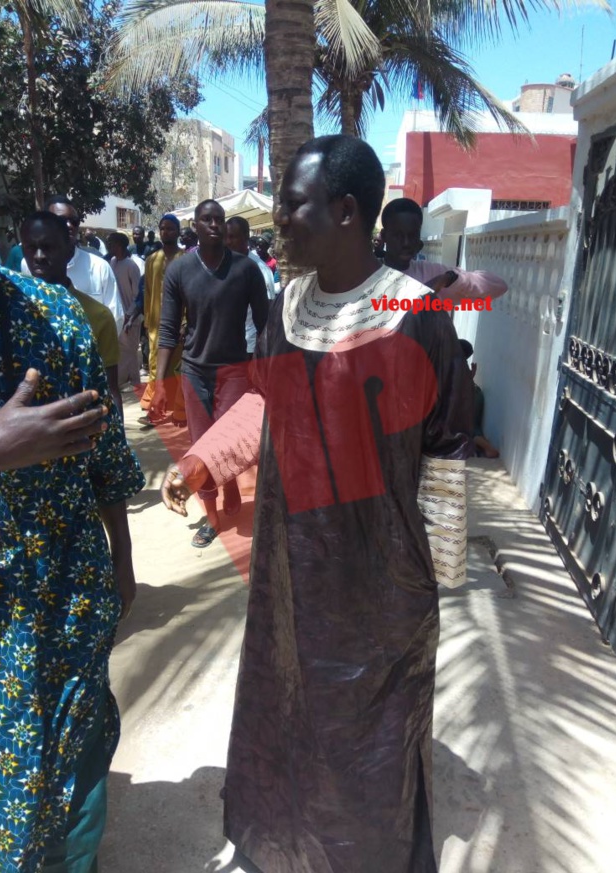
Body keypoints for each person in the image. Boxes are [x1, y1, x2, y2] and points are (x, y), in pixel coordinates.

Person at [161, 135, 473, 871]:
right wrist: (204, 460)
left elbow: (447, 447)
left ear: (345, 211)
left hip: (379, 587)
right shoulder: (288, 304)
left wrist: (440, 574)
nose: (279, 220)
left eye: (292, 205)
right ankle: (289, 846)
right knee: (292, 710)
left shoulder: (416, 314)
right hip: (290, 572)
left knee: (368, 739)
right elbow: (269, 402)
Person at [0, 121, 144, 873]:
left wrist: (123, 560)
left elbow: (105, 457)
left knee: (75, 754)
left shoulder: (56, 318)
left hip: (62, 584)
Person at [153, 199, 269, 548]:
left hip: (234, 369)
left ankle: (230, 483)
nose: (215, 225)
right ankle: (213, 517)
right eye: (207, 220)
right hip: (193, 371)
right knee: (201, 445)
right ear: (196, 227)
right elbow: (169, 330)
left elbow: (265, 325)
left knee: (228, 439)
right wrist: (160, 382)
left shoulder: (246, 270)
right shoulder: (179, 270)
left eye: (219, 219)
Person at [21, 210, 124, 417]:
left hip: (78, 435)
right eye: (31, 248)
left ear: (68, 252)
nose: (39, 257)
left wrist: (118, 439)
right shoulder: (11, 311)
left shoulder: (97, 315)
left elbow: (110, 389)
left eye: (48, 248)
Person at [381, 197, 508, 301]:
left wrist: (450, 279)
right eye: (398, 235)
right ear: (384, 236)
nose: (406, 243)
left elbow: (498, 286)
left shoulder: (429, 273)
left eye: (412, 235)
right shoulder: (367, 275)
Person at [29, 195, 124, 331]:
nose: (69, 226)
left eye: (74, 221)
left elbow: (116, 318)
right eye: (61, 220)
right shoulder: (29, 266)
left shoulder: (99, 267)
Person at [138, 214, 187, 425]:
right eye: (163, 228)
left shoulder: (186, 259)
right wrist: (148, 321)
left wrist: (186, 322)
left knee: (178, 368)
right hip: (157, 325)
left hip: (181, 324)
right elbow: (148, 292)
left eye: (170, 228)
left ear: (177, 232)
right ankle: (155, 410)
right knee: (156, 366)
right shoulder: (152, 260)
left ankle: (180, 411)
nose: (166, 232)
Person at [226, 215, 276, 359]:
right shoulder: (222, 264)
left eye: (232, 237)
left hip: (249, 346)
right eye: (226, 236)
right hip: (224, 345)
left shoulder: (259, 269)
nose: (228, 242)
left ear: (246, 237)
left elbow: (267, 312)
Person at [107, 231, 142, 387]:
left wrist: (130, 315)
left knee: (131, 351)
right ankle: (126, 382)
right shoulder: (112, 262)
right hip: (118, 316)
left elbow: (137, 295)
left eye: (111, 243)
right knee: (121, 351)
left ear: (119, 245)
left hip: (131, 317)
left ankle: (135, 383)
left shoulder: (131, 266)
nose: (108, 246)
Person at [459, 338, 500, 458]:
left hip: (470, 397)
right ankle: (487, 447)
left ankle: (489, 448)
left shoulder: (455, 363)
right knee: (474, 426)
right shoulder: (461, 363)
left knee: (467, 427)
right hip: (476, 394)